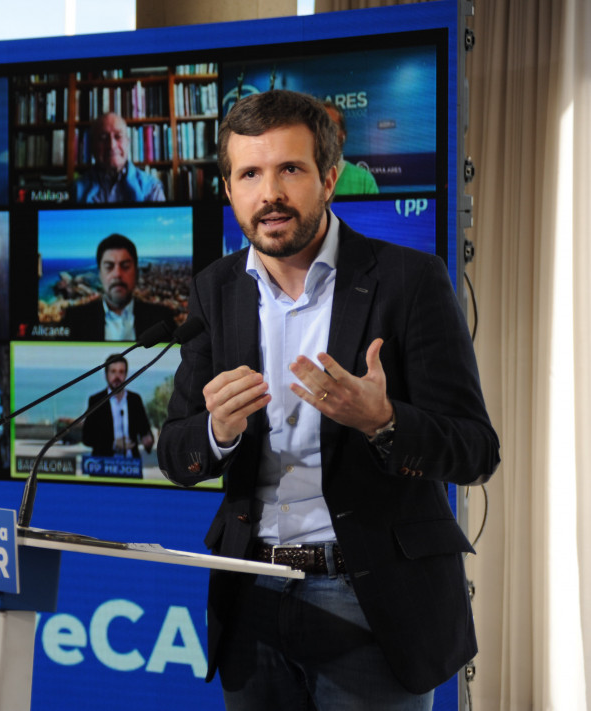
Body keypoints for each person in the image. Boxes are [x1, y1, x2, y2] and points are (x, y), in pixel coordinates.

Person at [156, 90, 499, 709]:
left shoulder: (409, 281)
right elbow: (176, 453)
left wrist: (385, 422)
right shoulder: (216, 290)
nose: (270, 194)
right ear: (229, 188)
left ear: (330, 178)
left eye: (291, 169)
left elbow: (476, 451)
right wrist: (216, 433)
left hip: (370, 602)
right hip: (251, 594)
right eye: (250, 174)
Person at [61, 233, 176, 341]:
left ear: (136, 272)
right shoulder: (74, 319)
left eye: (125, 266)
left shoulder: (162, 320)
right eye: (109, 267)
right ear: (100, 274)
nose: (117, 274)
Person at [75, 112, 165, 203]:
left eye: (118, 136)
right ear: (92, 146)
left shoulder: (151, 188)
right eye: (103, 138)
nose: (111, 145)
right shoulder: (76, 190)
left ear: (128, 142)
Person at [81, 355, 154, 458]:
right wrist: (114, 444)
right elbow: (87, 438)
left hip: (131, 466)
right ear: (106, 375)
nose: (117, 377)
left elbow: (145, 431)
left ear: (126, 375)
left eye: (121, 372)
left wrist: (148, 440)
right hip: (103, 466)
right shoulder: (96, 401)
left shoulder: (135, 400)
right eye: (113, 371)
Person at [322, 100, 380, 196]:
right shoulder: (301, 179)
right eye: (319, 127)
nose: (325, 133)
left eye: (332, 127)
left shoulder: (364, 181)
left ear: (343, 135)